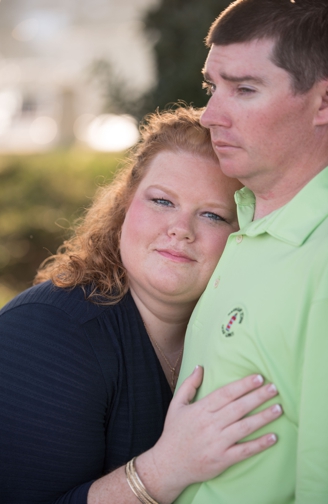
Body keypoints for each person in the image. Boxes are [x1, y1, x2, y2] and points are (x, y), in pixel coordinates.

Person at [0, 107, 282, 504]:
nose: (181, 229)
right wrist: (165, 468)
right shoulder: (44, 333)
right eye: (163, 201)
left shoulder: (235, 331)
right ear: (126, 203)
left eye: (213, 215)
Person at [176, 1, 328, 503]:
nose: (209, 115)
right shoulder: (237, 222)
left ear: (323, 103)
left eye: (244, 89)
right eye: (211, 87)